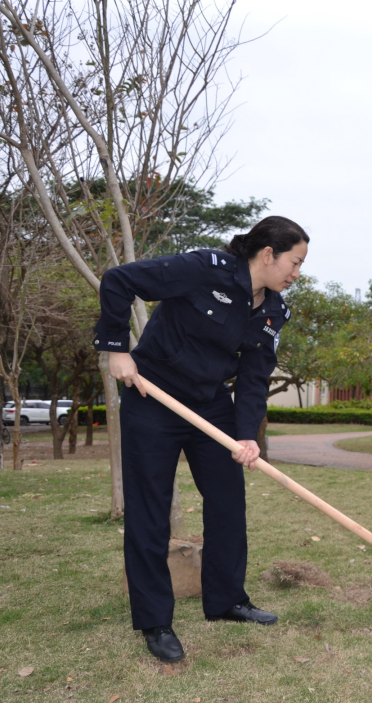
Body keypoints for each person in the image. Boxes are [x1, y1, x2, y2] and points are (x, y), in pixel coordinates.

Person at [92, 216, 309, 662]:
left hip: (210, 405)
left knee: (228, 500)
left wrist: (246, 436)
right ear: (267, 254)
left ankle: (227, 600)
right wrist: (116, 349)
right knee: (150, 508)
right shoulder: (205, 268)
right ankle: (155, 621)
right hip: (152, 395)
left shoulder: (274, 310)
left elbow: (254, 376)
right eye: (295, 261)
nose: (297, 273)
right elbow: (119, 280)